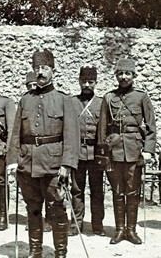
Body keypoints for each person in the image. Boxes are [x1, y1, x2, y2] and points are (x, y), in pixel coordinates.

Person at [7, 49, 79, 258]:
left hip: (54, 164)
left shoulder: (64, 100)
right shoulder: (25, 100)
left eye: (45, 68)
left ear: (53, 71)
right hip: (27, 164)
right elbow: (16, 134)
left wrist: (67, 164)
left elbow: (71, 136)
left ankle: (61, 253)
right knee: (33, 208)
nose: (40, 72)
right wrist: (13, 160)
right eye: (37, 68)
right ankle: (35, 252)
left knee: (57, 209)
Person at [97, 58, 156, 244]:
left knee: (132, 192)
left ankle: (131, 230)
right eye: (120, 74)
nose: (123, 77)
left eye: (127, 73)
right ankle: (119, 229)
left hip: (134, 150)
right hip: (114, 151)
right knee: (117, 191)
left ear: (133, 75)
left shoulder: (141, 97)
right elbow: (102, 128)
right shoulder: (109, 97)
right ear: (116, 76)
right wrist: (103, 153)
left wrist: (148, 150)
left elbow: (151, 126)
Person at [68, 66, 105, 236]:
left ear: (96, 83)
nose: (87, 85)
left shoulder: (101, 103)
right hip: (77, 153)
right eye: (84, 81)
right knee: (77, 190)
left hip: (96, 154)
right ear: (79, 82)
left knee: (97, 191)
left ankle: (97, 225)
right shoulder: (72, 102)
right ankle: (76, 224)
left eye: (91, 82)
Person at [25, 71, 52, 233]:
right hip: (29, 156)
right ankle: (34, 221)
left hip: (48, 154)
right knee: (32, 195)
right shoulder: (25, 102)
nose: (33, 88)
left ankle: (49, 220)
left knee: (49, 192)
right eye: (29, 86)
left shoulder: (49, 101)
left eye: (35, 85)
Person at [0, 72, 16, 231]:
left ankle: (2, 216)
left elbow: (12, 128)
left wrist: (8, 148)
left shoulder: (6, 102)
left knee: (1, 183)